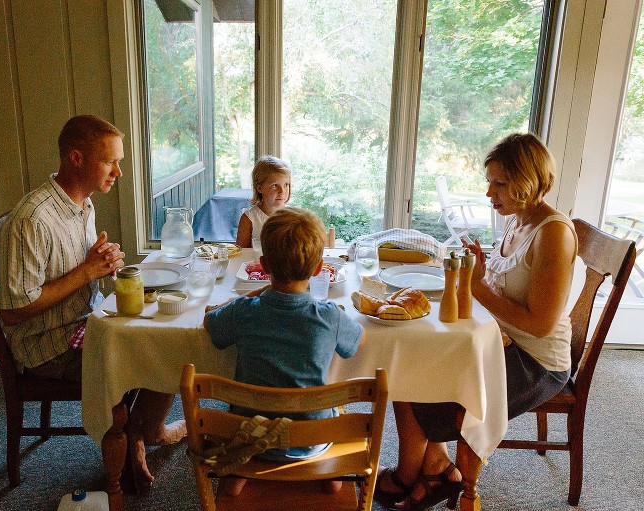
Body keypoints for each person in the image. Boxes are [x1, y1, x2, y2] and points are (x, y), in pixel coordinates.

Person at [376, 132, 577, 511]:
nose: (489, 193)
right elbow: (506, 290)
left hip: (538, 361)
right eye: (490, 181)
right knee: (411, 361)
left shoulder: (553, 233)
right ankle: (435, 469)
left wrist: (478, 288)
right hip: (501, 341)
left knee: (422, 387)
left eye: (500, 183)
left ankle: (410, 476)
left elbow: (541, 326)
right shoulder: (517, 220)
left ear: (529, 181)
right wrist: (482, 277)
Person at [0, 114, 184, 489]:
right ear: (76, 158)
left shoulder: (83, 204)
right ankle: (138, 436)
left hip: (87, 319)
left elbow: (79, 269)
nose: (119, 171)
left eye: (120, 161)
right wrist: (85, 272)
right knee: (151, 352)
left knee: (168, 335)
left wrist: (102, 259)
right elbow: (14, 312)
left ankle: (149, 430)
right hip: (47, 345)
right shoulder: (33, 219)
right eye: (110, 161)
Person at [204, 207, 365, 496]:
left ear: (264, 266)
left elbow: (212, 327)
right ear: (318, 269)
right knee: (332, 433)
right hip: (311, 438)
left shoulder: (244, 311)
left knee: (244, 438)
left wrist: (251, 296)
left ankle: (244, 469)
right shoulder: (328, 316)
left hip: (248, 432)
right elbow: (355, 343)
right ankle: (326, 472)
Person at [235, 156, 292, 248]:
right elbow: (241, 253)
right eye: (275, 186)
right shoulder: (249, 218)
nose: (282, 191)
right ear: (259, 188)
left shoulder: (293, 217)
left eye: (286, 185)